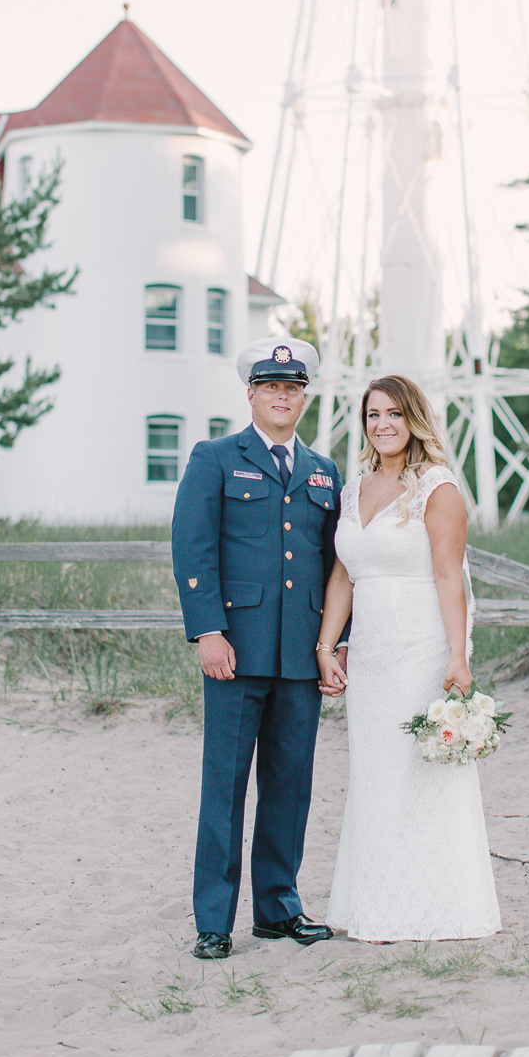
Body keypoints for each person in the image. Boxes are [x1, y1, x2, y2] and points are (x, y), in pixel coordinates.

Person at [172, 337, 344, 961]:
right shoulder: (216, 457)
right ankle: (214, 921)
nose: (282, 395)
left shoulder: (324, 472)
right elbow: (192, 548)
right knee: (225, 786)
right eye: (271, 386)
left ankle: (277, 909)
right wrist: (208, 630)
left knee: (290, 785)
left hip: (301, 654)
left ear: (304, 396)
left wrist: (335, 644)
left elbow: (334, 565)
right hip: (235, 651)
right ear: (251, 394)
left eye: (293, 387)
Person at [315, 373, 502, 942]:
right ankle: (376, 907)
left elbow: (450, 576)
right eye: (373, 415)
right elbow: (344, 574)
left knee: (423, 778)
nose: (383, 424)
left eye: (394, 414)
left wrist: (458, 657)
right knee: (376, 779)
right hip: (370, 658)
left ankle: (442, 909)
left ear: (413, 419)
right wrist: (327, 646)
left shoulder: (437, 488)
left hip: (422, 650)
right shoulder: (355, 489)